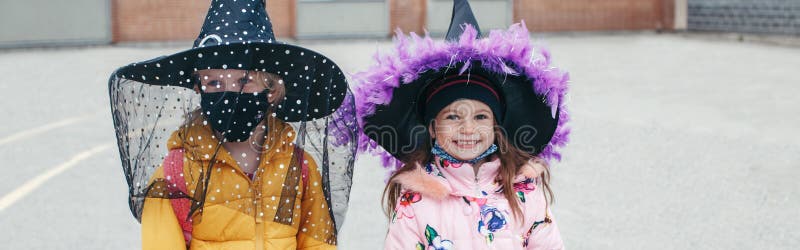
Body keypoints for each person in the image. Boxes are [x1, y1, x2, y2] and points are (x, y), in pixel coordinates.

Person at [108, 1, 358, 249]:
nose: (230, 95)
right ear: (199, 88)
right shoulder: (176, 175)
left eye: (244, 81)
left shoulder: (299, 168)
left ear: (271, 89)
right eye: (214, 83)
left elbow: (318, 243)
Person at [353, 0, 570, 249]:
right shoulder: (414, 201)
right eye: (453, 117)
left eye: (480, 117)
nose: (468, 129)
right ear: (433, 128)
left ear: (496, 126)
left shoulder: (524, 191)